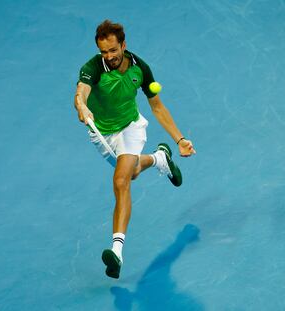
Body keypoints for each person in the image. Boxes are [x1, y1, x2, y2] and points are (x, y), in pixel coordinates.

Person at [74, 20, 196, 279]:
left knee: (120, 180)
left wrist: (180, 139)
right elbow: (81, 92)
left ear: (123, 45)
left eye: (113, 51)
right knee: (132, 172)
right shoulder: (93, 67)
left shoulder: (141, 68)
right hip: (102, 134)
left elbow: (158, 107)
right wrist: (81, 105)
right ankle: (159, 158)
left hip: (131, 127)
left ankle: (116, 251)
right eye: (103, 52)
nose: (108, 57)